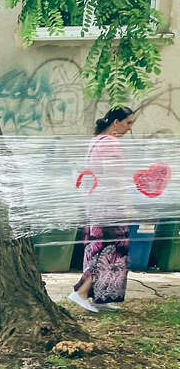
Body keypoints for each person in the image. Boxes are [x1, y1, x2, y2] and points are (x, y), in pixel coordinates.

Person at [70, 106, 137, 313]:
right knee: (109, 250)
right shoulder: (110, 143)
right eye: (128, 122)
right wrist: (126, 204)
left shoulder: (96, 141)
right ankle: (81, 292)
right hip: (110, 205)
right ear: (116, 122)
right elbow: (113, 178)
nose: (129, 128)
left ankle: (100, 297)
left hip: (96, 203)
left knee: (99, 247)